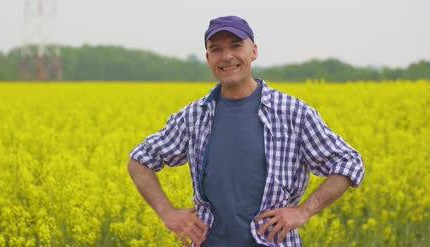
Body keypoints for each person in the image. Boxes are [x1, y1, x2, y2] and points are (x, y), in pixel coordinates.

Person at [127, 15, 365, 247]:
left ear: (253, 51)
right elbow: (139, 161)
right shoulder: (193, 116)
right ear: (208, 58)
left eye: (236, 46)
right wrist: (168, 214)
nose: (227, 56)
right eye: (216, 49)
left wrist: (304, 212)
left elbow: (349, 162)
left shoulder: (293, 113)